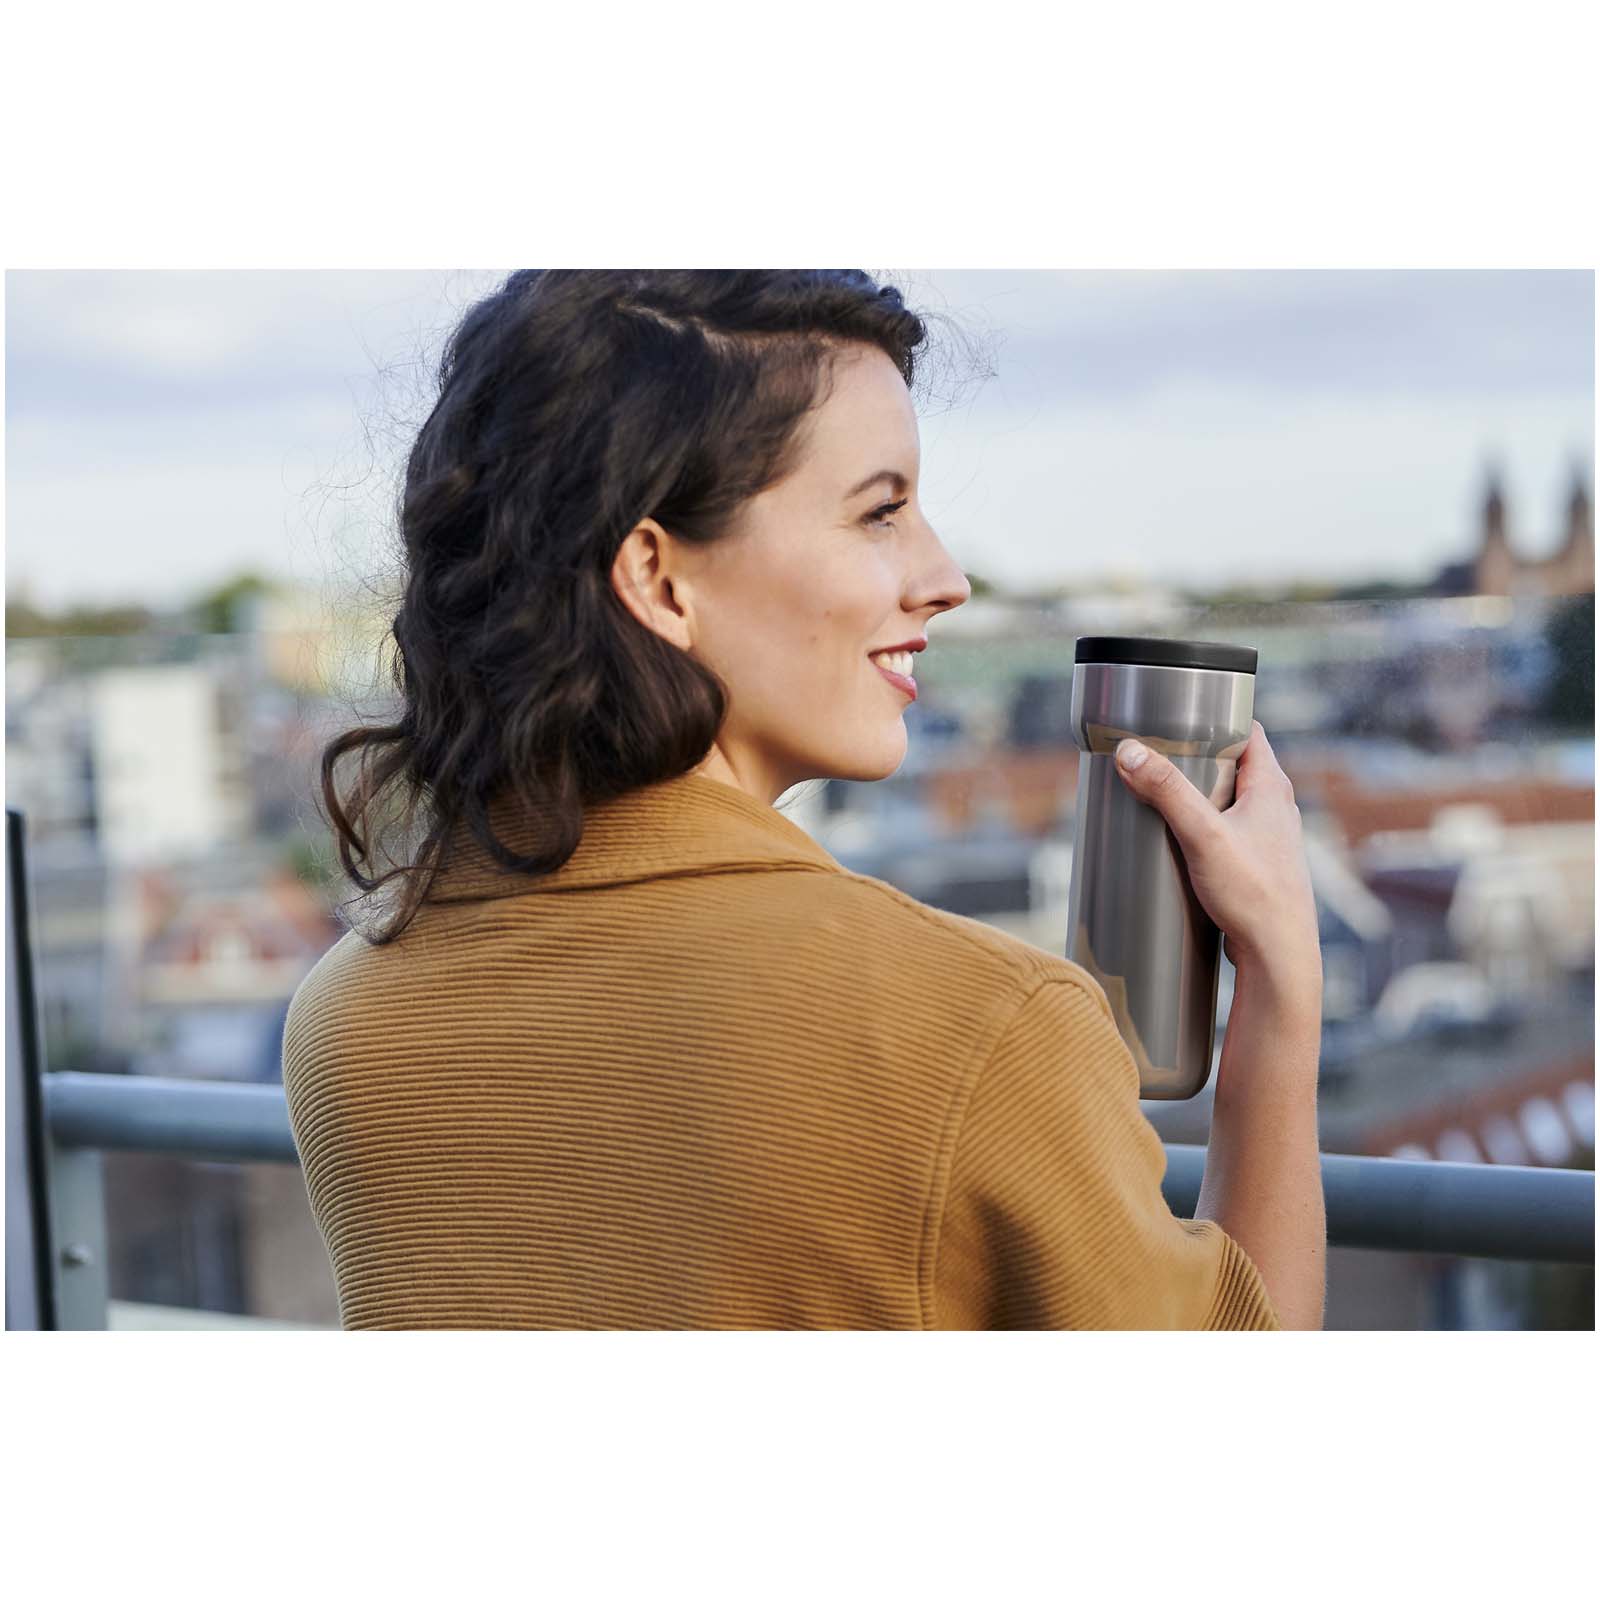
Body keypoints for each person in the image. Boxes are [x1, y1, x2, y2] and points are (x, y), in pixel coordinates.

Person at [283, 268, 1325, 1330]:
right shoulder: (984, 1028)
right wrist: (1281, 985)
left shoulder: (346, 1018)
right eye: (880, 513)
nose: (947, 578)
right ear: (659, 579)